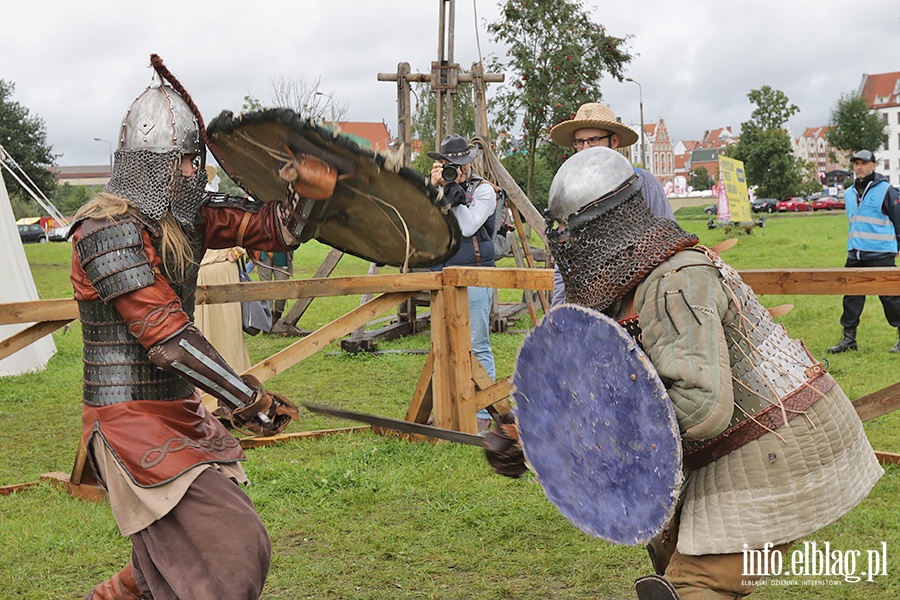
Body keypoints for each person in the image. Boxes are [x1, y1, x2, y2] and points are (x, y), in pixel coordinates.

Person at [485, 147, 883, 600]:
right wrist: (535, 435)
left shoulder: (675, 279)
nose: (565, 245)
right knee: (669, 548)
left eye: (570, 231)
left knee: (696, 584)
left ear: (602, 226)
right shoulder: (623, 287)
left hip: (781, 435)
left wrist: (591, 443)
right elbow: (606, 392)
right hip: (741, 437)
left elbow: (704, 405)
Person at [73, 58, 323, 600]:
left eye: (196, 161)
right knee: (231, 551)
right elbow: (167, 338)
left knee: (181, 558)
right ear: (150, 164)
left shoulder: (188, 217)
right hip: (129, 421)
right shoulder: (105, 231)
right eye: (184, 162)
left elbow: (276, 228)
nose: (195, 173)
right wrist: (247, 399)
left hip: (178, 412)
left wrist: (308, 183)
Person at [547, 102, 674, 306]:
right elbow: (565, 263)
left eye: (593, 140)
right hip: (589, 302)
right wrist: (559, 309)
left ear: (613, 141)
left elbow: (669, 244)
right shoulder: (571, 193)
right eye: (579, 142)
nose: (585, 148)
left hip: (641, 300)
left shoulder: (644, 183)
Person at [428, 134, 497, 431]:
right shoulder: (437, 187)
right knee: (441, 344)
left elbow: (468, 225)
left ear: (468, 165)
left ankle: (483, 413)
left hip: (476, 275)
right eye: (448, 165)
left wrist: (453, 196)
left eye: (458, 166)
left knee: (477, 345)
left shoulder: (484, 191)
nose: (454, 170)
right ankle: (445, 407)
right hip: (442, 275)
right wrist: (434, 191)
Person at [827, 149, 900, 354]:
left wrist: (899, 247)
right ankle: (849, 339)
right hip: (856, 253)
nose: (859, 167)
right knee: (851, 295)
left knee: (890, 297)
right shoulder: (849, 193)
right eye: (856, 163)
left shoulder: (887, 190)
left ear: (873, 166)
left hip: (881, 253)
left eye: (863, 163)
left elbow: (898, 219)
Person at [252, 249, 294, 324]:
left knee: (282, 289)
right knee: (266, 288)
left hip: (282, 254)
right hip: (262, 251)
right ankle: (268, 321)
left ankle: (277, 318)